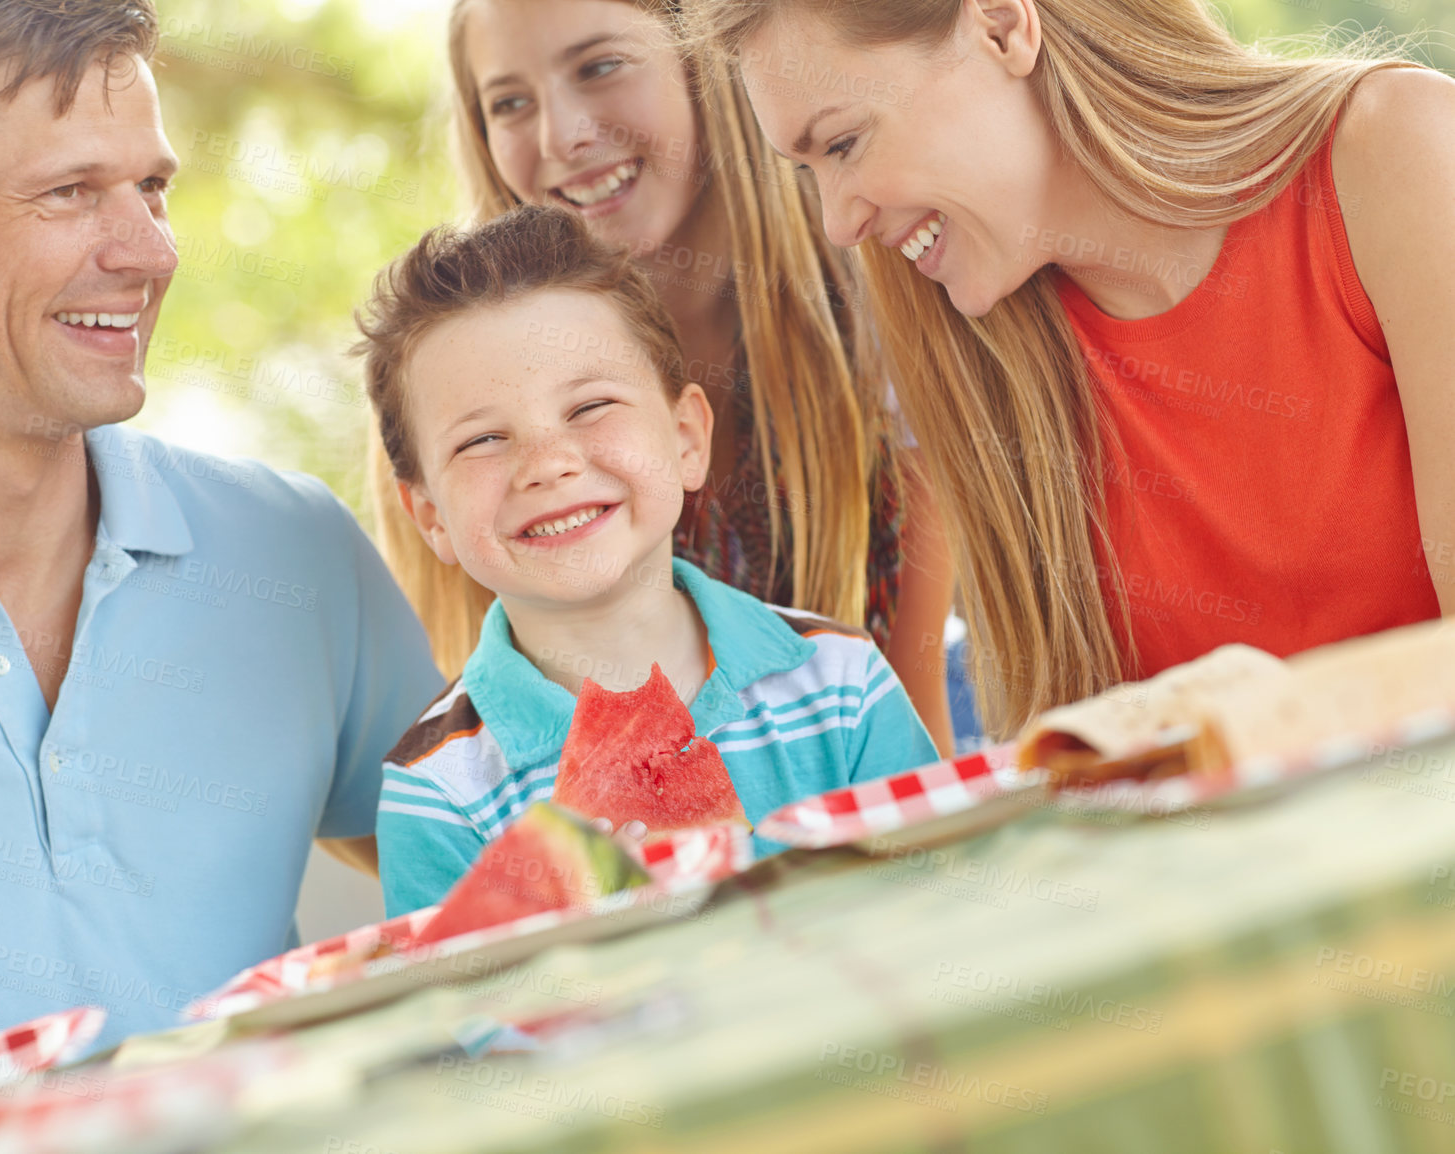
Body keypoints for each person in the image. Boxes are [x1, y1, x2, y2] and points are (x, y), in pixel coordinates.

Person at [0, 0, 440, 1080]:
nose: (149, 252)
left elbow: (502, 893)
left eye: (150, 187)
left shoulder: (294, 553)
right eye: (67, 192)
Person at [691, 0, 1455, 736]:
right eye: (804, 170)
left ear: (999, 26)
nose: (837, 221)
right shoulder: (966, 343)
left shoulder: (1396, 153)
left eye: (844, 143)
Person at [367, 0, 961, 754]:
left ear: (708, 64)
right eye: (510, 102)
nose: (563, 135)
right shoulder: (443, 412)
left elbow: (915, 719)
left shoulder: (881, 328)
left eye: (601, 66)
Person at [356, 206, 939, 916]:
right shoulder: (438, 790)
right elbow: (464, 1021)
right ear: (430, 518)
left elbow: (940, 908)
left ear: (687, 436)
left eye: (591, 406)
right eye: (482, 441)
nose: (549, 464)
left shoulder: (841, 683)